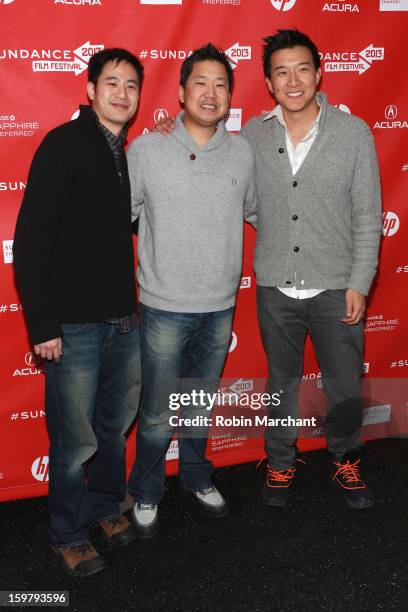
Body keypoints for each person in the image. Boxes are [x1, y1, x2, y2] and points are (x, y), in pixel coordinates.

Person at [13, 48, 143, 577]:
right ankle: (67, 533)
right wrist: (43, 324)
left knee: (113, 428)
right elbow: (30, 240)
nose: (121, 92)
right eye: (111, 82)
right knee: (74, 440)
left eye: (131, 84)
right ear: (90, 89)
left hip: (124, 321)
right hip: (73, 326)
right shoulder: (62, 144)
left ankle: (105, 506)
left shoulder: (125, 153)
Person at [241, 29, 382, 510]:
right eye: (281, 72)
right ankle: (280, 462)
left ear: (319, 74)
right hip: (275, 287)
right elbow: (246, 199)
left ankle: (346, 459)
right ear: (269, 82)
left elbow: (367, 214)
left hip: (336, 285)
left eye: (302, 68)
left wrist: (359, 281)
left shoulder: (354, 132)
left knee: (343, 382)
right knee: (282, 380)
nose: (293, 80)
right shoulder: (254, 136)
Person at [126, 43, 257, 537]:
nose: (211, 92)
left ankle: (197, 477)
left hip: (220, 305)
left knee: (199, 403)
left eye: (221, 84)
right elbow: (124, 215)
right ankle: (147, 489)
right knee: (158, 411)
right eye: (200, 82)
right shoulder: (147, 149)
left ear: (230, 96)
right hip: (163, 306)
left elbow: (260, 213)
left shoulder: (243, 152)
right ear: (181, 92)